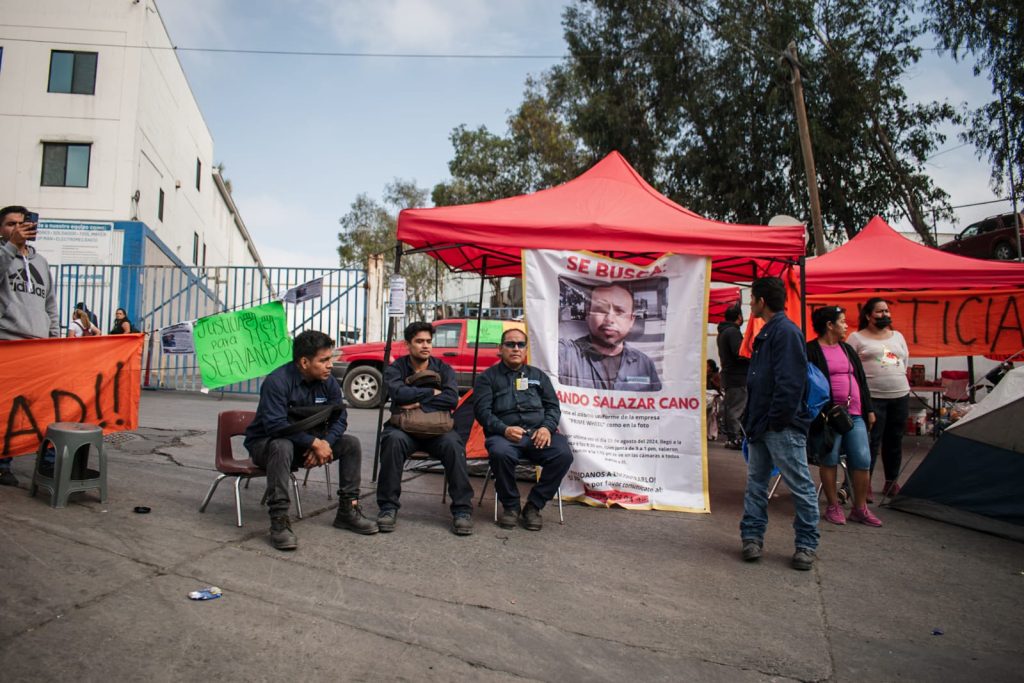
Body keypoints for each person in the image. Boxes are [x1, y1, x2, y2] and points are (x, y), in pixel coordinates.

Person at [244, 330, 377, 550]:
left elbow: (340, 417)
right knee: (282, 445)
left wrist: (324, 444)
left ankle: (347, 510)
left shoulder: (328, 382)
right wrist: (314, 444)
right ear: (304, 362)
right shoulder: (277, 382)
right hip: (266, 445)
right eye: (324, 360)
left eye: (331, 359)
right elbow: (276, 426)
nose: (330, 365)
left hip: (308, 444)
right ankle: (279, 522)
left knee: (351, 444)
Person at [739, 277, 819, 571]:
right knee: (756, 484)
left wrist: (776, 420)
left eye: (752, 299)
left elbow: (791, 382)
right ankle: (752, 537)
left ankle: (806, 545)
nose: (749, 304)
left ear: (761, 301)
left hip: (778, 426)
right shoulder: (772, 332)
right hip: (762, 424)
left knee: (799, 485)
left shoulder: (784, 332)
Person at [377, 321, 474, 536]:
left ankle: (462, 510)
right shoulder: (396, 369)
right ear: (408, 344)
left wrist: (418, 402)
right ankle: (388, 507)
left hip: (438, 429)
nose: (425, 346)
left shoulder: (443, 368)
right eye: (419, 341)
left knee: (454, 444)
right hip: (404, 428)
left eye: (429, 341)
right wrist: (432, 394)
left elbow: (451, 399)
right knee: (392, 441)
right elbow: (398, 395)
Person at [475, 328, 573, 531]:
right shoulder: (487, 378)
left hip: (538, 434)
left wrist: (547, 428)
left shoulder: (538, 376)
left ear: (526, 349)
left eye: (520, 344)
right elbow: (482, 413)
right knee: (500, 453)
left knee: (563, 454)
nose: (516, 349)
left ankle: (533, 506)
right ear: (500, 349)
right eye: (510, 344)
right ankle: (511, 506)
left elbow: (553, 407)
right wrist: (504, 429)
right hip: (504, 436)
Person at [807, 306, 882, 527]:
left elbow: (861, 380)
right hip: (829, 416)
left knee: (862, 459)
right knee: (829, 459)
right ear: (829, 325)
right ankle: (833, 505)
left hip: (855, 413)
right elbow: (809, 384)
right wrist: (824, 410)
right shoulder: (810, 350)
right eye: (842, 321)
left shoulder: (847, 349)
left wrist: (869, 409)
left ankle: (860, 508)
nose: (846, 325)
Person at [0, 205, 59, 486]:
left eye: (22, 224)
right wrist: (11, 247)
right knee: (6, 411)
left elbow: (50, 305)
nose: (17, 229)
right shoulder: (3, 255)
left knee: (45, 410)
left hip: (40, 349)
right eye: (11, 224)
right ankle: (2, 463)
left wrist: (55, 340)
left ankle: (48, 463)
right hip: (8, 345)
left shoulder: (41, 263)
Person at [847, 298, 911, 499]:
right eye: (880, 311)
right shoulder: (856, 338)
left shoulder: (897, 336)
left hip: (900, 395)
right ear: (868, 315)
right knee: (870, 442)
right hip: (872, 398)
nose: (885, 315)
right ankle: (864, 484)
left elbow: (905, 360)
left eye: (887, 311)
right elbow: (851, 368)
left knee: (895, 441)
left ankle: (891, 482)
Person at [558, 283, 661, 391]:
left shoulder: (644, 364)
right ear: (588, 315)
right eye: (601, 310)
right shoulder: (566, 355)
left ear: (632, 320)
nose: (610, 319)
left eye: (619, 311)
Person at [717, 304, 749, 449]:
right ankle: (735, 438)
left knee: (731, 408)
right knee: (736, 408)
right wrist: (751, 355)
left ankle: (732, 438)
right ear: (739, 317)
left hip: (729, 376)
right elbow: (739, 353)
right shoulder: (733, 332)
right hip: (737, 376)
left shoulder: (723, 332)